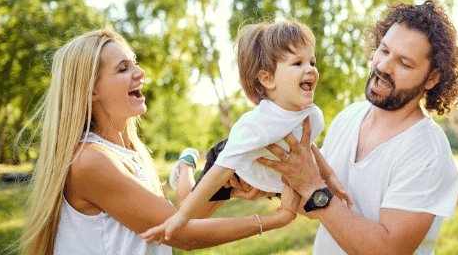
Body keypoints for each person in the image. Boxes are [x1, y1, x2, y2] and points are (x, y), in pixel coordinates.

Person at [18, 29, 300, 255]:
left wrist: (226, 191)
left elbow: (176, 220)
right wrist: (277, 219)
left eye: (135, 63)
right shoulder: (90, 160)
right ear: (91, 90)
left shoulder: (130, 152)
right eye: (122, 69)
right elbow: (179, 235)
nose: (139, 73)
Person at [258, 0, 458, 255]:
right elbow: (318, 209)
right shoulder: (349, 117)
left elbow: (387, 250)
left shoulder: (428, 154)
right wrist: (266, 183)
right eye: (384, 50)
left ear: (432, 78)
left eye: (404, 63)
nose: (383, 66)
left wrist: (313, 188)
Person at [141, 20, 352, 244]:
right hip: (234, 166)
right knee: (192, 217)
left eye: (312, 61)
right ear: (267, 79)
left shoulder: (312, 114)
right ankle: (185, 165)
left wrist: (331, 179)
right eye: (298, 63)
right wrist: (180, 217)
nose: (310, 68)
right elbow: (222, 171)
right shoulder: (255, 126)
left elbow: (308, 147)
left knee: (315, 211)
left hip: (270, 169)